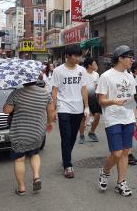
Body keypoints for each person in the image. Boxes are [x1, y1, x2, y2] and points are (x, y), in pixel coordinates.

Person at [97, 45, 137, 197]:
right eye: (130, 57)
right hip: (113, 117)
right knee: (116, 153)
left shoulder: (129, 76)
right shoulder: (106, 76)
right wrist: (114, 101)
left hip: (128, 118)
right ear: (120, 58)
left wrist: (136, 117)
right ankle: (105, 171)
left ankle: (121, 182)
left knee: (126, 152)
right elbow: (101, 100)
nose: (132, 60)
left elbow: (132, 99)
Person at [4, 81, 56, 195]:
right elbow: (51, 111)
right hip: (37, 131)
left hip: (20, 132)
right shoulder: (45, 93)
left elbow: (6, 110)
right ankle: (36, 176)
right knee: (34, 154)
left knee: (19, 159)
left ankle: (21, 188)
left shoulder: (16, 93)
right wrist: (49, 123)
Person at [51, 44, 90, 178]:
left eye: (80, 55)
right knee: (66, 136)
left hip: (78, 108)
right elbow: (54, 90)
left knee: (73, 136)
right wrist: (53, 109)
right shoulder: (58, 71)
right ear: (68, 56)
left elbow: (83, 89)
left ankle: (66, 155)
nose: (79, 58)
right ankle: (68, 165)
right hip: (63, 107)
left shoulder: (82, 70)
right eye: (76, 55)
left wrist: (86, 106)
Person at [78, 57, 101, 143]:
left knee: (97, 115)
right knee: (83, 117)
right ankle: (81, 135)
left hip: (93, 98)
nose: (96, 65)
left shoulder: (96, 74)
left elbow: (96, 87)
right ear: (89, 65)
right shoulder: (82, 74)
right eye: (94, 64)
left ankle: (91, 132)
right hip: (83, 98)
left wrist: (98, 99)